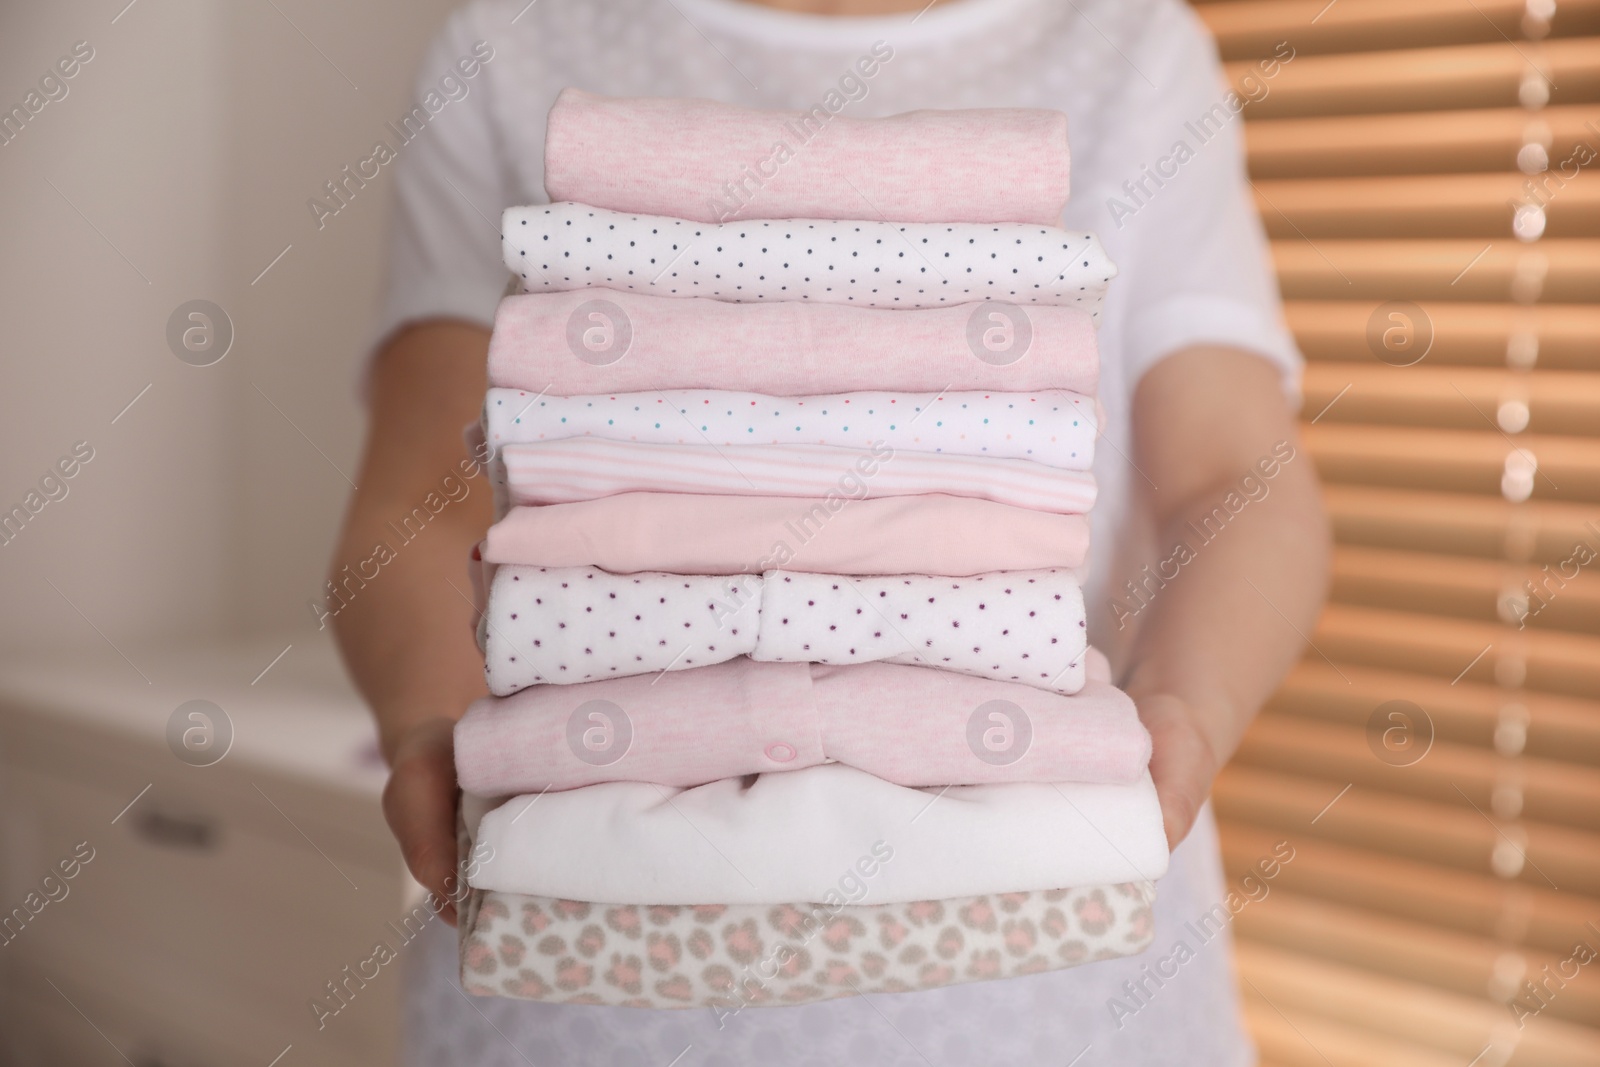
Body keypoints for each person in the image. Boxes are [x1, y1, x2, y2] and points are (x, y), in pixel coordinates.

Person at [329, 0, 1330, 1062]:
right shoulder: (516, 36)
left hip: (1049, 971)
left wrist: (1188, 706)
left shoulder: (1128, 43)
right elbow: (427, 498)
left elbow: (1234, 479)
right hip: (586, 970)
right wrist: (431, 730)